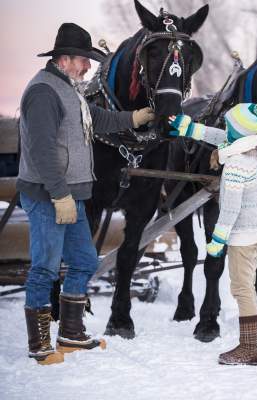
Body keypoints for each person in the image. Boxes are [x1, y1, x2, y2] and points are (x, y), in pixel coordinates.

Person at [18, 22, 155, 365]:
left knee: (84, 261)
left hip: (72, 196)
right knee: (45, 268)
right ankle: (40, 345)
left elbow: (97, 118)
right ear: (65, 59)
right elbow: (42, 150)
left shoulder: (70, 89)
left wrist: (134, 118)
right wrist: (60, 194)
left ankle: (71, 333)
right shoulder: (42, 92)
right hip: (48, 196)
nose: (89, 67)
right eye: (84, 61)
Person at [169, 103, 257, 365]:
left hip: (243, 236)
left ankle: (249, 348)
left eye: (229, 127)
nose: (225, 130)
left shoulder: (237, 164)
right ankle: (250, 346)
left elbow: (231, 208)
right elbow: (219, 137)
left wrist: (217, 240)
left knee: (242, 289)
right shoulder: (251, 146)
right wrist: (190, 128)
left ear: (238, 133)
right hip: (256, 231)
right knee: (244, 287)